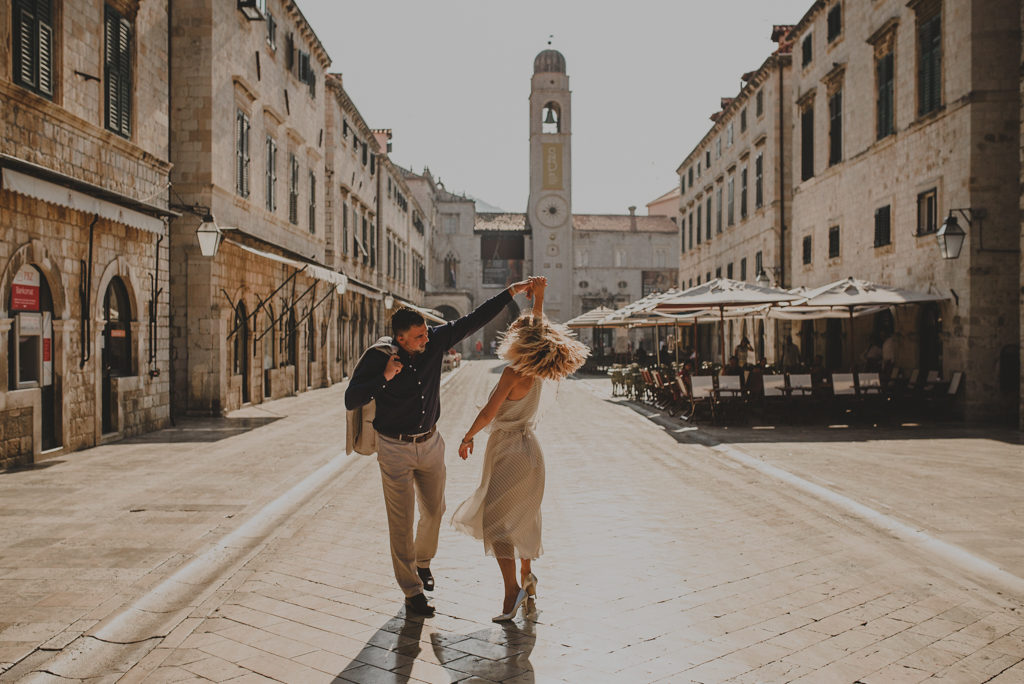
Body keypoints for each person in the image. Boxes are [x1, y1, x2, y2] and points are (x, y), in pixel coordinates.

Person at [345, 276, 541, 617]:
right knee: (401, 522)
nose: (426, 338)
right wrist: (384, 379)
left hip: (431, 443)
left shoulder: (435, 340)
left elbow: (475, 318)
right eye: (418, 336)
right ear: (401, 339)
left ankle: (422, 562)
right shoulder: (381, 357)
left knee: (435, 512)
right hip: (394, 448)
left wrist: (512, 291)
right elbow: (352, 398)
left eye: (426, 332)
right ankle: (412, 592)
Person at [452, 277, 589, 622]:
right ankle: (527, 579)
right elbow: (538, 332)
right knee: (524, 518)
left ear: (519, 340)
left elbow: (488, 411)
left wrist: (467, 436)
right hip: (531, 452)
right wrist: (540, 298)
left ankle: (511, 591)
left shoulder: (514, 374)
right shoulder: (541, 369)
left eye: (515, 331)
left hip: (508, 450)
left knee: (497, 524)